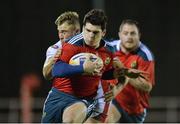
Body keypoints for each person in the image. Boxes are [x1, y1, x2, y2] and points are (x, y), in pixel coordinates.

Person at [42, 9, 134, 123]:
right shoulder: (72, 44)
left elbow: (104, 73)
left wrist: (116, 85)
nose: (90, 36)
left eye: (95, 32)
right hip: (59, 95)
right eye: (88, 30)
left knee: (70, 120)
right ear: (83, 28)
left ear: (103, 32)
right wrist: (83, 68)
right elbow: (56, 69)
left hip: (84, 99)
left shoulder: (108, 51)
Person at [106, 19, 155, 123]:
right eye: (125, 33)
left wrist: (126, 73)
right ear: (119, 34)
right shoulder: (109, 48)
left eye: (133, 33)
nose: (129, 37)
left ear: (139, 35)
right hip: (116, 101)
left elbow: (147, 86)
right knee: (106, 120)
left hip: (135, 110)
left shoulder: (145, 55)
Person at [42, 11, 80, 80]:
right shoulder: (55, 49)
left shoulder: (88, 44)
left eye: (64, 32)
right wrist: (54, 59)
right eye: (59, 32)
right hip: (62, 90)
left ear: (77, 31)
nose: (60, 36)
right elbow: (46, 75)